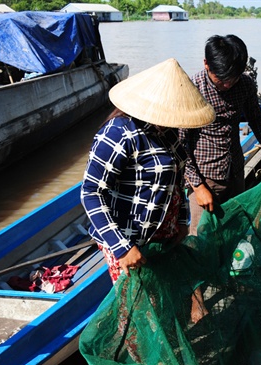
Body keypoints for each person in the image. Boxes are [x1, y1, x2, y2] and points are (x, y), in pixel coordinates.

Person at [81, 58, 215, 283]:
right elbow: (91, 193)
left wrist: (182, 221)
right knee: (135, 307)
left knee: (169, 293)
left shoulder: (168, 131)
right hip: (129, 238)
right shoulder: (118, 134)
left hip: (164, 232)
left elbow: (177, 182)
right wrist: (122, 248)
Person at [182, 34, 261, 323]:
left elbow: (257, 119)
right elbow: (181, 145)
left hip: (234, 170)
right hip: (203, 177)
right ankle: (197, 300)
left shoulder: (244, 84)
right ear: (205, 64)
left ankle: (229, 280)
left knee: (233, 231)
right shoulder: (191, 88)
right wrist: (198, 185)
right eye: (222, 80)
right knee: (197, 242)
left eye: (233, 78)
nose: (228, 84)